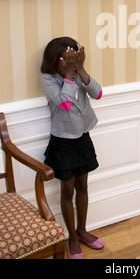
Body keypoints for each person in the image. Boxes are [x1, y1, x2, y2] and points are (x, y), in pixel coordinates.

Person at [41, 37, 104, 259]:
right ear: (56, 60)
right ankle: (72, 238)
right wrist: (68, 76)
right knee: (67, 191)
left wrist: (81, 69)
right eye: (67, 59)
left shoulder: (78, 74)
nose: (71, 63)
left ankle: (82, 230)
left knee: (83, 186)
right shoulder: (48, 79)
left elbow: (98, 93)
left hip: (82, 138)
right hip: (63, 143)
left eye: (74, 58)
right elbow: (65, 104)